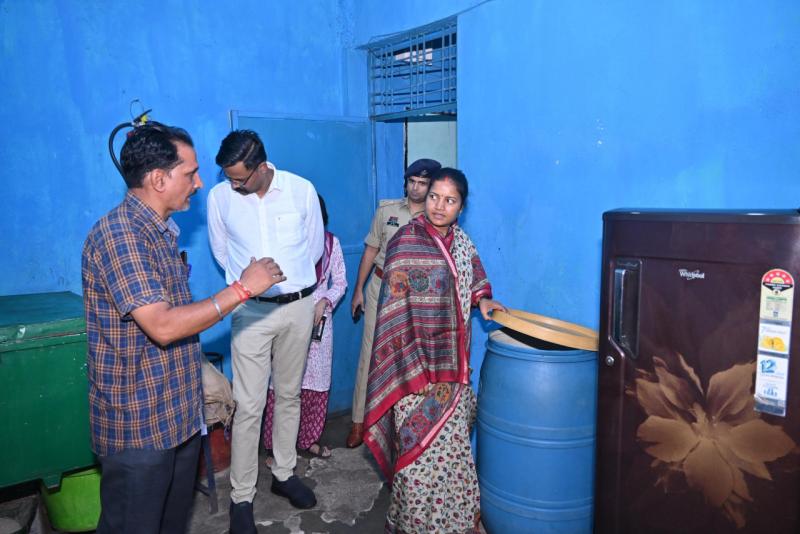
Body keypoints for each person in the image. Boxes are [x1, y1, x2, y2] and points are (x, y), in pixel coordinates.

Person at [82, 123, 285, 534]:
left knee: (172, 524)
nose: (199, 183)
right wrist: (242, 289)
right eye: (190, 173)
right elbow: (162, 325)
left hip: (176, 416)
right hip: (139, 428)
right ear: (159, 179)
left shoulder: (160, 233)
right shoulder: (122, 235)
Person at [364, 168, 506, 533]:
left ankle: (454, 524)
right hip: (414, 376)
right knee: (415, 462)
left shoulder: (463, 242)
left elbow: (474, 279)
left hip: (453, 373)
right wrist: (414, 370)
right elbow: (394, 316)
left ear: (461, 207)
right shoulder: (404, 242)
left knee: (453, 456)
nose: (439, 206)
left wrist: (483, 300)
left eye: (450, 200)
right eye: (434, 197)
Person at [207, 130, 324, 533]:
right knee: (248, 405)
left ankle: (284, 474)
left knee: (289, 394)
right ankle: (242, 497)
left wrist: (290, 288)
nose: (233, 185)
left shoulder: (301, 190)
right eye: (228, 177)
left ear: (260, 167)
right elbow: (221, 251)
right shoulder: (220, 198)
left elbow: (314, 249)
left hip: (297, 307)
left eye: (239, 178)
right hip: (250, 312)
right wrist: (249, 287)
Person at [347, 158, 441, 448]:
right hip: (380, 288)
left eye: (423, 183)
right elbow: (370, 250)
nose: (416, 188)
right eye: (412, 181)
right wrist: (358, 290)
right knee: (369, 354)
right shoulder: (387, 211)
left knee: (408, 358)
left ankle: (398, 427)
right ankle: (359, 422)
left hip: (414, 298)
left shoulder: (437, 216)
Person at [262, 194, 347, 461]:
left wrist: (324, 301)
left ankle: (308, 440)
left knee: (316, 383)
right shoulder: (285, 245)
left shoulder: (331, 243)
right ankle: (276, 447)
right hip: (288, 317)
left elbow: (340, 282)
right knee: (283, 383)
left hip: (320, 323)